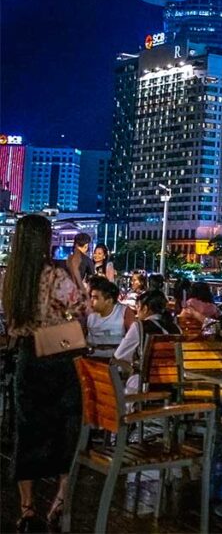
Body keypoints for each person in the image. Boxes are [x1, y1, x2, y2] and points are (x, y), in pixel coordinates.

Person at [3, 214, 88, 532]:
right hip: (57, 356)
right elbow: (80, 308)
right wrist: (75, 274)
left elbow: (12, 322)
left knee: (28, 431)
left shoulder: (11, 277)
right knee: (66, 428)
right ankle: (61, 498)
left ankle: (26, 508)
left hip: (27, 357)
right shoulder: (54, 273)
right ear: (44, 239)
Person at [114, 290, 181, 383]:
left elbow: (119, 356)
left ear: (145, 308)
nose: (137, 311)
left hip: (145, 384)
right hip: (173, 383)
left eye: (138, 307)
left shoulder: (139, 327)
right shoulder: (176, 328)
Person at [85, 276, 127, 355]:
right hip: (92, 360)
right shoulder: (88, 314)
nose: (91, 300)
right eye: (91, 297)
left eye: (95, 298)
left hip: (116, 360)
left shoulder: (123, 311)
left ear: (109, 301)